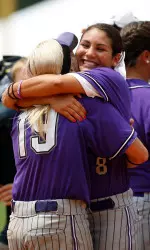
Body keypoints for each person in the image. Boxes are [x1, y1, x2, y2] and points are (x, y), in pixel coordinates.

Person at [2, 23, 148, 250]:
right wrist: (50, 99)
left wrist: (17, 93)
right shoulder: (72, 101)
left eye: (100, 49)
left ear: (116, 58)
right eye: (85, 45)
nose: (88, 53)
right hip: (73, 211)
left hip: (110, 208)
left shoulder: (106, 79)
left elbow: (52, 83)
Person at [121, 21, 150, 250]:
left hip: (115, 203)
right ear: (146, 56)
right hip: (145, 198)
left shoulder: (107, 96)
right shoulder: (148, 97)